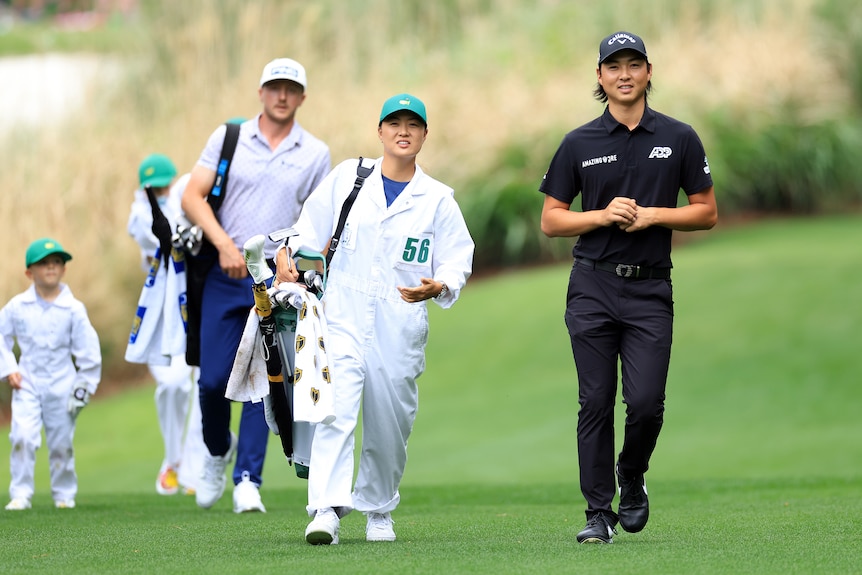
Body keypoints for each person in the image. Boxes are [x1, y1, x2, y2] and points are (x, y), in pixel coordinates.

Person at [539, 31, 718, 544]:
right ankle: (598, 513)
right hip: (591, 286)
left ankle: (632, 474)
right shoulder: (579, 142)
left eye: (633, 64)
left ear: (648, 71)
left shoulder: (679, 137)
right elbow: (552, 220)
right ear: (599, 77)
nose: (624, 74)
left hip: (649, 291)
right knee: (595, 401)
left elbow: (706, 211)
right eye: (613, 66)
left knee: (645, 404)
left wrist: (656, 216)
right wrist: (601, 215)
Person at [275, 93, 474, 544]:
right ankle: (325, 508)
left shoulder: (438, 200)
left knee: (390, 422)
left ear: (424, 134)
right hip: (342, 311)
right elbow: (309, 227)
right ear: (380, 131)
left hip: (399, 320)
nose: (403, 131)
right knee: (336, 411)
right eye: (394, 123)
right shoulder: (350, 177)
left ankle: (378, 509)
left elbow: (458, 257)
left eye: (413, 124)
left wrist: (439, 285)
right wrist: (289, 253)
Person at [181, 58, 330, 513]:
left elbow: (317, 220)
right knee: (211, 383)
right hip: (225, 274)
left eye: (291, 89)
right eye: (274, 87)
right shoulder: (229, 138)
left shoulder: (315, 153)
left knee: (262, 381)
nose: (282, 95)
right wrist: (226, 246)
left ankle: (248, 478)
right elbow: (192, 196)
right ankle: (215, 451)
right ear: (261, 92)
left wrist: (293, 262)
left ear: (301, 97)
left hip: (274, 280)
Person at [0, 238, 102, 510]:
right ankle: (21, 493)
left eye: (56, 262)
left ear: (64, 269)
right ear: (29, 272)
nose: (51, 268)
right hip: (27, 383)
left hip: (62, 384)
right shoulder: (17, 306)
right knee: (22, 436)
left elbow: (88, 352)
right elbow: (1, 336)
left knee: (61, 444)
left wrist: (84, 386)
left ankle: (64, 494)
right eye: (43, 263)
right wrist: (9, 368)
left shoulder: (73, 309)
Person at [127, 153, 207, 496]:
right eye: (152, 188)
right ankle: (173, 460)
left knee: (205, 386)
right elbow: (157, 234)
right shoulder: (140, 214)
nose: (159, 192)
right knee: (174, 385)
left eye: (163, 186)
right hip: (164, 310)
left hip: (201, 298)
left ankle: (197, 467)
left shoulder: (185, 197)